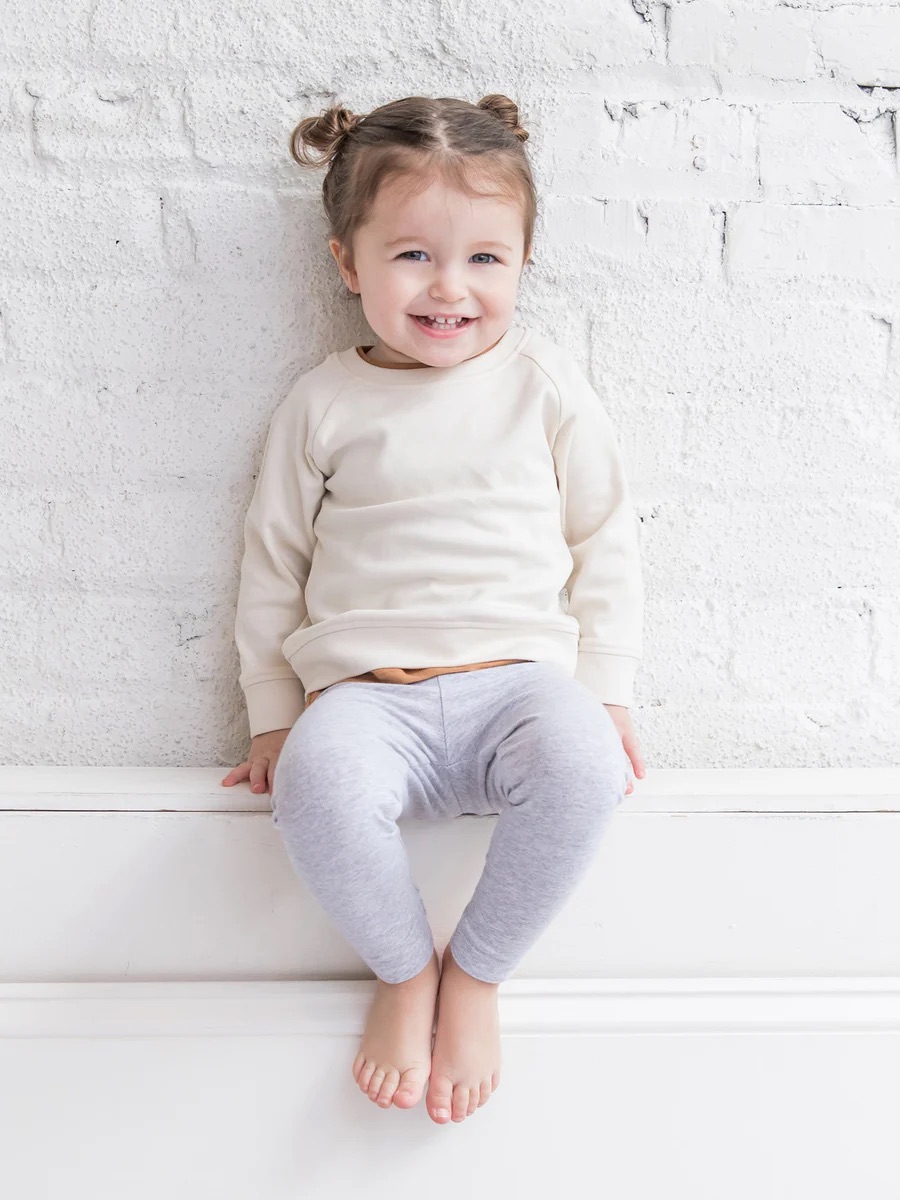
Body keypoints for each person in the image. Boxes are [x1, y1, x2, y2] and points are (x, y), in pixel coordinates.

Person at [221, 93, 646, 1126]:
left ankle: (479, 973)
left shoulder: (543, 384)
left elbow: (604, 538)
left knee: (586, 769)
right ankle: (406, 969)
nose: (449, 287)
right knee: (316, 789)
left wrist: (607, 692)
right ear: (347, 263)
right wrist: (273, 713)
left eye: (484, 259)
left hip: (519, 686)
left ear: (524, 261)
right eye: (412, 255)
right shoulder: (323, 401)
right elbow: (273, 560)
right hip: (369, 697)